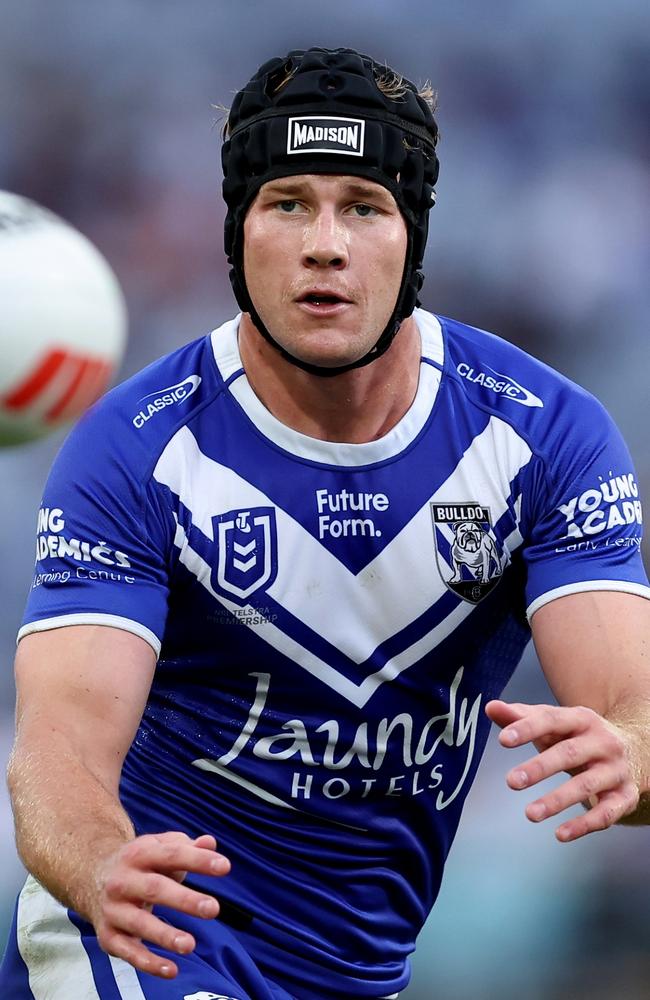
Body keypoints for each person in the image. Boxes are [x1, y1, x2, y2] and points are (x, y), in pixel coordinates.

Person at [1, 45, 649, 1000]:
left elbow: (631, 711)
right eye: (288, 202)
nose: (325, 244)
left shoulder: (544, 437)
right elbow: (56, 751)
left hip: (358, 973)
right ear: (238, 233)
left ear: (411, 238)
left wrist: (632, 755)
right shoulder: (135, 448)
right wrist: (101, 863)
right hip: (149, 937)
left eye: (364, 207)